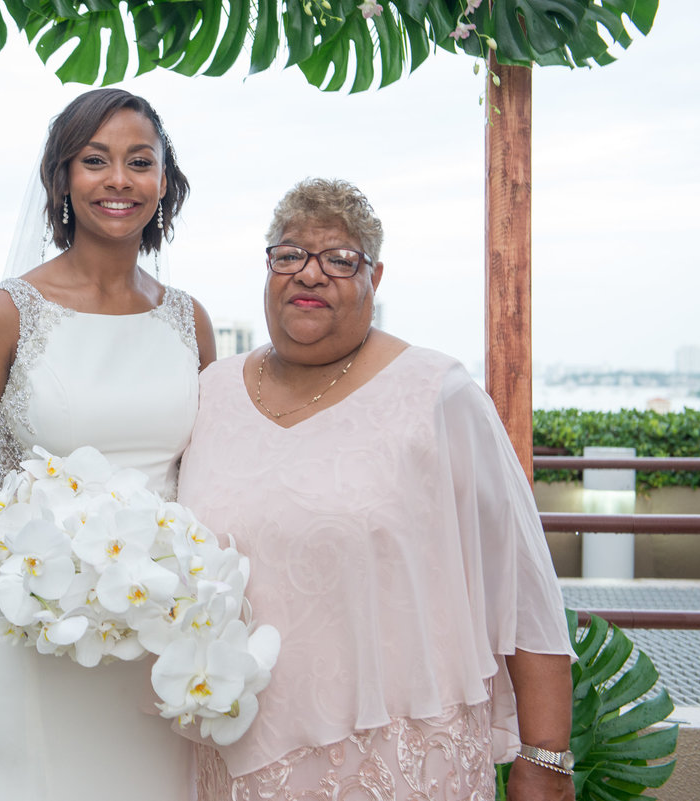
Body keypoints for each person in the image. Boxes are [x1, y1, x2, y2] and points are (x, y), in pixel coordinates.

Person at [177, 178, 576, 801]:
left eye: (339, 259)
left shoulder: (436, 394)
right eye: (290, 256)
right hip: (231, 756)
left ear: (376, 275)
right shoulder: (212, 392)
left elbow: (522, 584)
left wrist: (546, 762)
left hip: (395, 760)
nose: (310, 275)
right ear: (268, 268)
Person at [0, 88, 217, 801]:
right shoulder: (4, 313)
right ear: (61, 179)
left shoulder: (187, 320)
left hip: (151, 640)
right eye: (94, 160)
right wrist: (29, 587)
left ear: (163, 183)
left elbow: (212, 470)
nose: (118, 180)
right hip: (27, 637)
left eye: (140, 162)